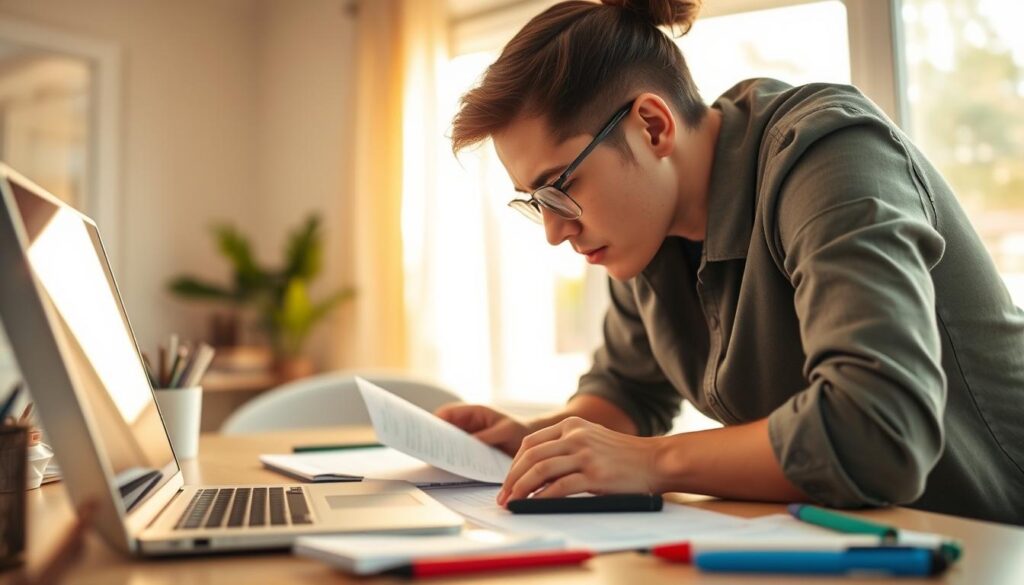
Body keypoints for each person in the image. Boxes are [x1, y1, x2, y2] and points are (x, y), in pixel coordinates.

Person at [434, 0, 1024, 526]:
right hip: (855, 544)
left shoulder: (829, 158)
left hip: (992, 542)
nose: (555, 233)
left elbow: (877, 428)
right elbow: (627, 392)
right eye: (535, 203)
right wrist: (538, 441)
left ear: (652, 126)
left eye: (560, 188)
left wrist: (652, 462)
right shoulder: (644, 232)